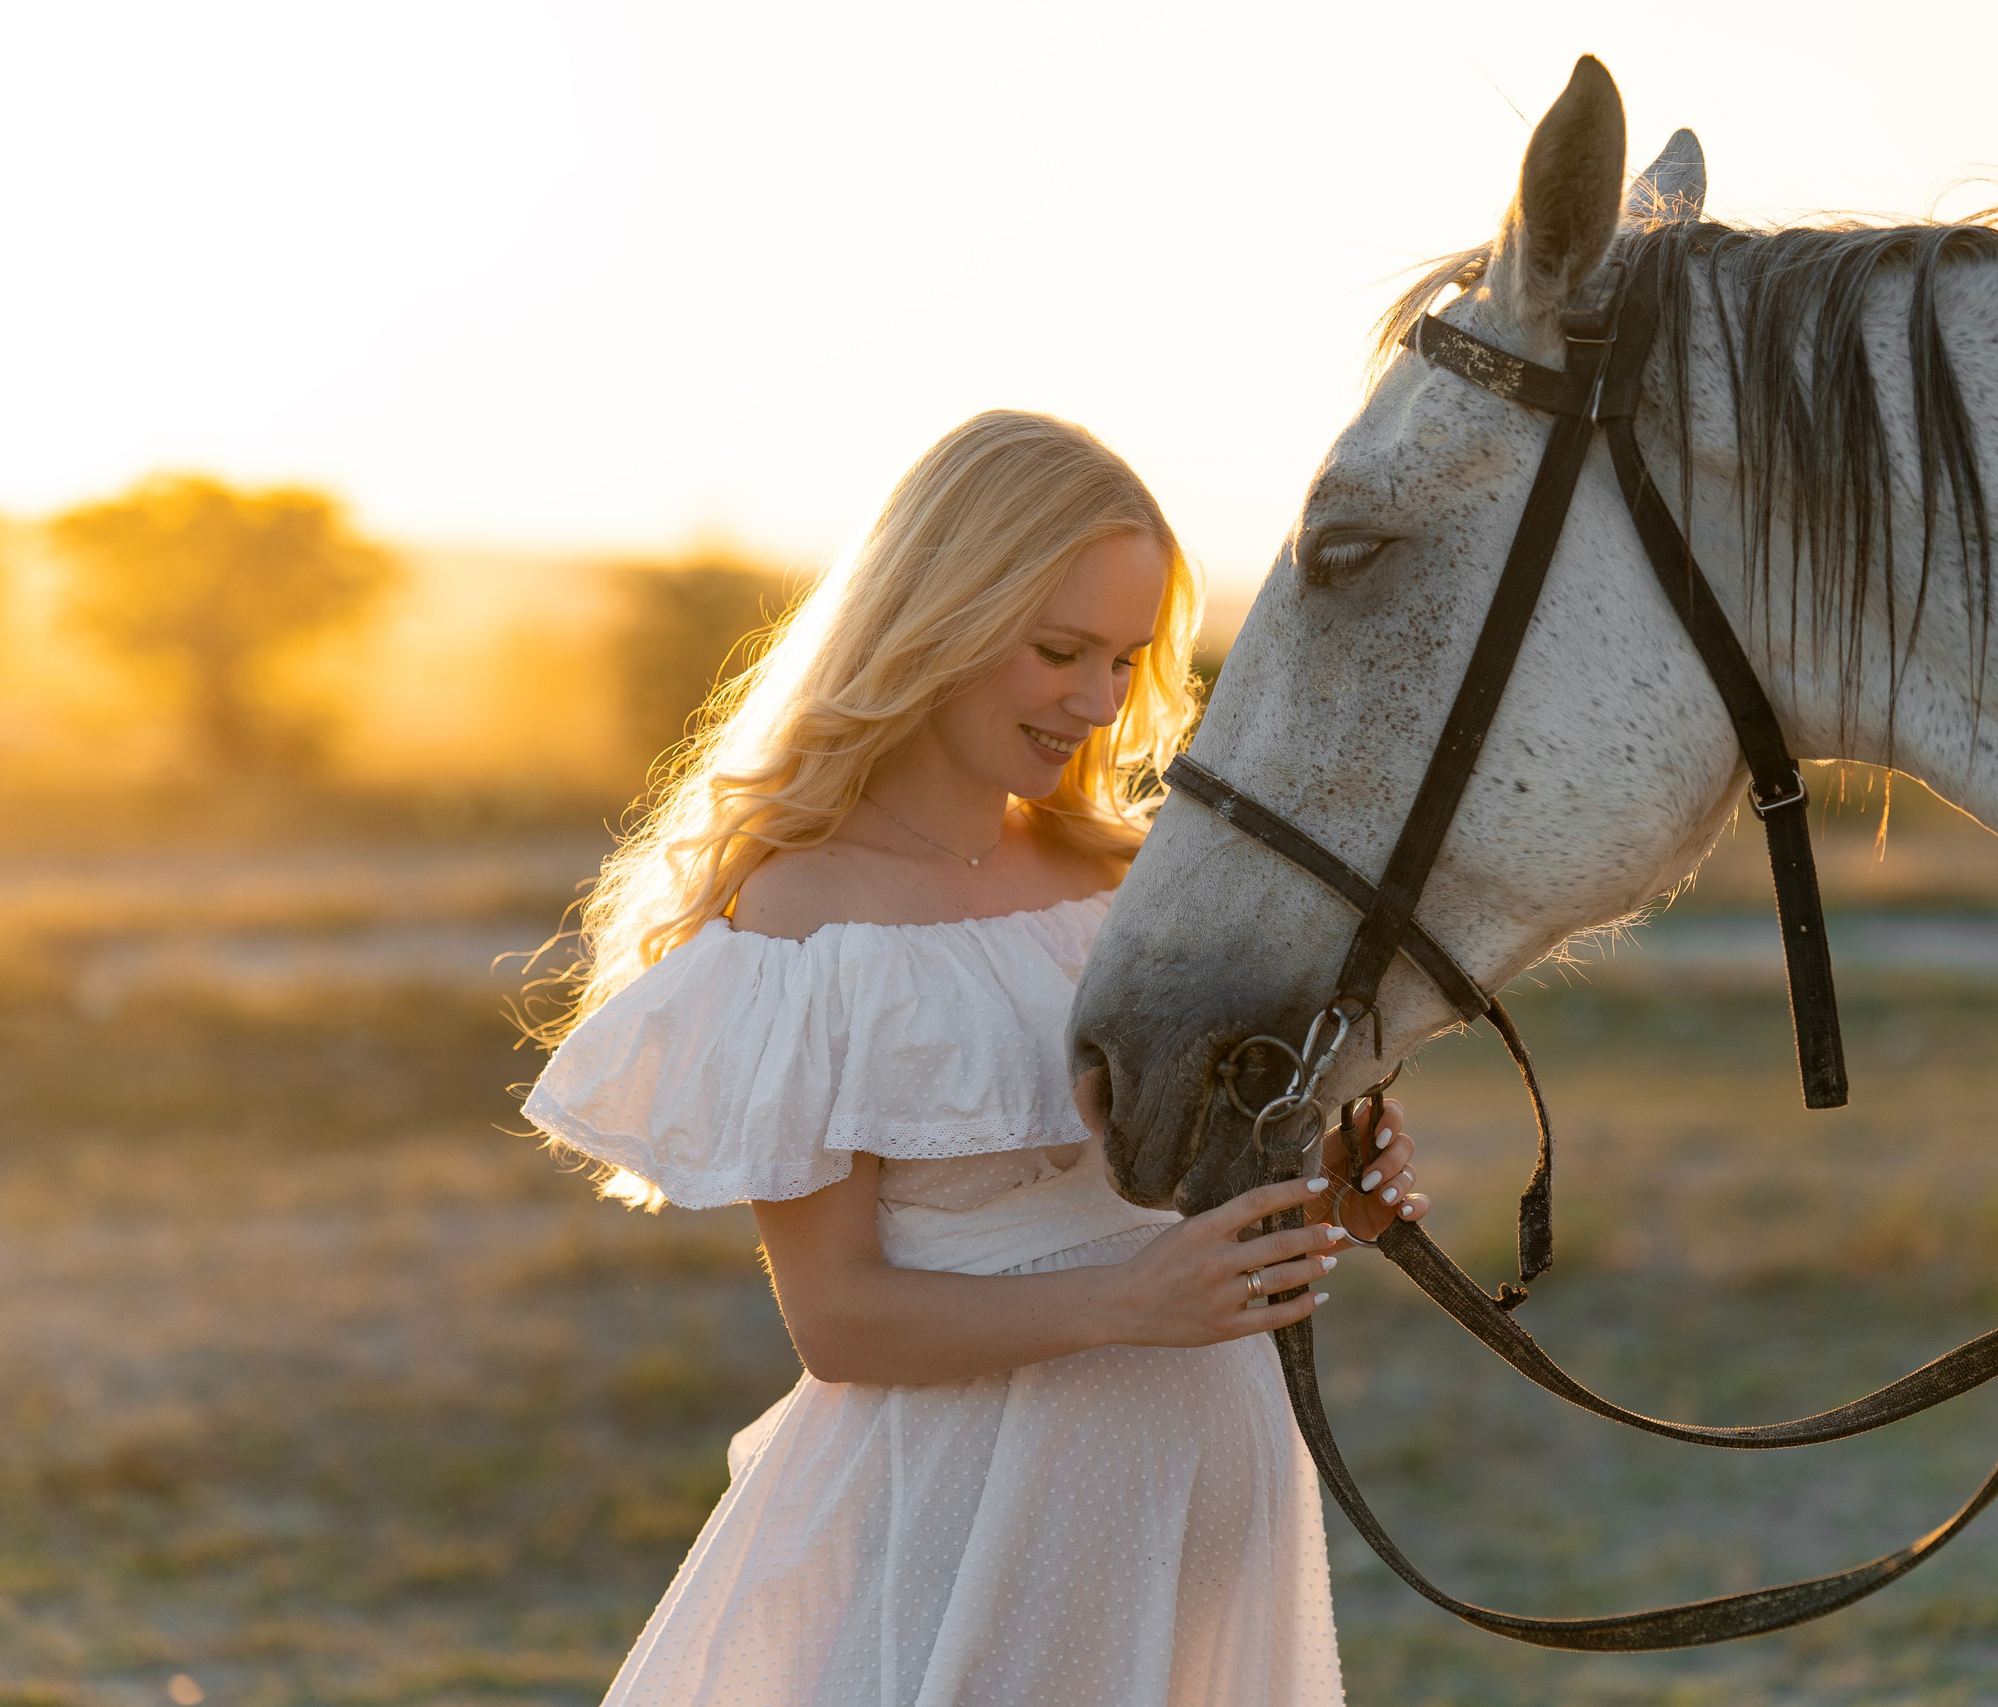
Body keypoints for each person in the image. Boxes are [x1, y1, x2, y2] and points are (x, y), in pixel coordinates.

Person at [522, 410, 1432, 1707]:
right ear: (940, 617)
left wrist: (1330, 1184)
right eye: (1056, 651)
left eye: (1123, 660)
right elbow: (837, 1319)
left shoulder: (1136, 883)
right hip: (974, 1503)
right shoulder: (805, 920)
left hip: (1203, 1482)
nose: (1098, 701)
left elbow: (1190, 1196)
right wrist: (1127, 1306)